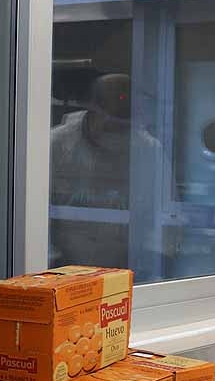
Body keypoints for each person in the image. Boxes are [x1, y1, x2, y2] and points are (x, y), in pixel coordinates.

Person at [49, 73, 163, 276]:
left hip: (126, 270)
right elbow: (34, 214)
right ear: (93, 110)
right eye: (111, 125)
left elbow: (162, 216)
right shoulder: (58, 144)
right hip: (62, 271)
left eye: (124, 128)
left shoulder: (148, 149)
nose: (116, 136)